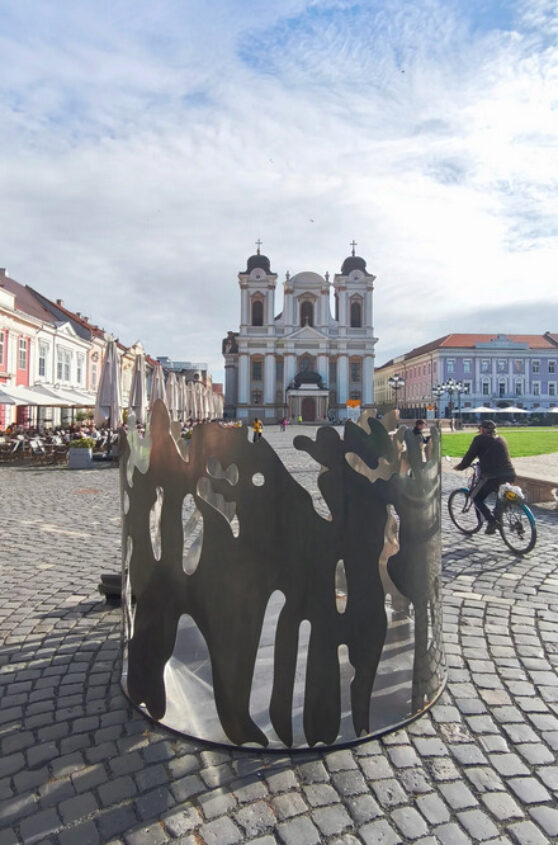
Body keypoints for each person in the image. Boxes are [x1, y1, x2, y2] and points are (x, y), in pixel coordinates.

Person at [454, 419, 516, 534]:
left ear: (482, 430)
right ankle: (498, 515)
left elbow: (469, 456)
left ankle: (492, 522)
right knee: (501, 498)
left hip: (493, 477)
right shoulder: (501, 439)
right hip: (510, 474)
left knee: (476, 497)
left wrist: (460, 466)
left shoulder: (479, 439)